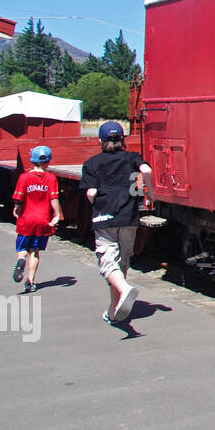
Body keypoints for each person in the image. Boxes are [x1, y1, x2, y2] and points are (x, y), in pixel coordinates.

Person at [81, 121, 151, 324]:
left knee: (108, 263)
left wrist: (97, 201)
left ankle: (125, 290)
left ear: (100, 141)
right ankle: (114, 310)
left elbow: (91, 192)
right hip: (129, 218)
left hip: (105, 219)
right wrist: (152, 194)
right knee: (122, 264)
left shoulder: (92, 164)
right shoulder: (132, 158)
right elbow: (146, 171)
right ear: (123, 140)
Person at [12, 145, 63, 293]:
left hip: (26, 220)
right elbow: (54, 197)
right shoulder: (51, 178)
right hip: (42, 221)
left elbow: (18, 197)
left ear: (32, 160)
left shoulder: (24, 177)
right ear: (48, 162)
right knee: (35, 251)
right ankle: (30, 282)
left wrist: (16, 207)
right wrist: (57, 214)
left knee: (22, 248)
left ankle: (21, 259)